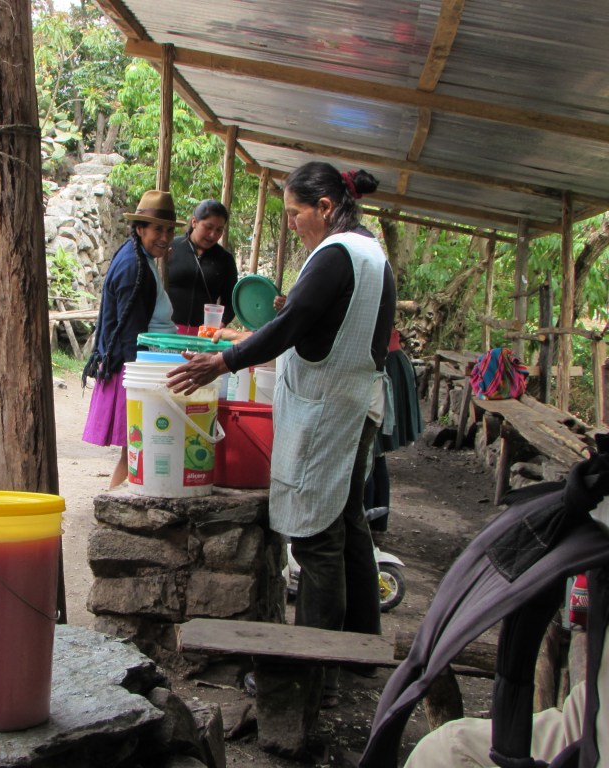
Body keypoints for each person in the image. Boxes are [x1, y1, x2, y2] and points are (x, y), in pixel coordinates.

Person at [167, 162, 396, 708]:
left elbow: (291, 328)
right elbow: (315, 319)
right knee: (346, 521)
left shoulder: (337, 254)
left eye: (295, 212)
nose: (291, 222)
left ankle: (306, 672)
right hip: (356, 403)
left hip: (329, 411)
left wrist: (222, 362)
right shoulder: (370, 253)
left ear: (323, 207)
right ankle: (361, 649)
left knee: (317, 538)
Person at [82, 189, 184, 488]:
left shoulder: (140, 257)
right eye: (157, 230)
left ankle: (119, 501)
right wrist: (141, 379)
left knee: (136, 449)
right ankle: (113, 506)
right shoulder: (133, 267)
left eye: (168, 230)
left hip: (138, 364)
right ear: (140, 229)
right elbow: (129, 332)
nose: (164, 237)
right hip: (133, 368)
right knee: (136, 447)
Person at [364, 327, 423, 533]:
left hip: (384, 366)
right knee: (374, 452)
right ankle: (375, 524)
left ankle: (366, 524)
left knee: (367, 450)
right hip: (387, 362)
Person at [167, 200, 239, 336]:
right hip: (166, 331)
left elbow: (231, 301)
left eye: (219, 230)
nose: (213, 235)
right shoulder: (171, 248)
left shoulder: (225, 259)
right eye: (208, 227)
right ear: (194, 222)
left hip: (203, 336)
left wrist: (220, 324)